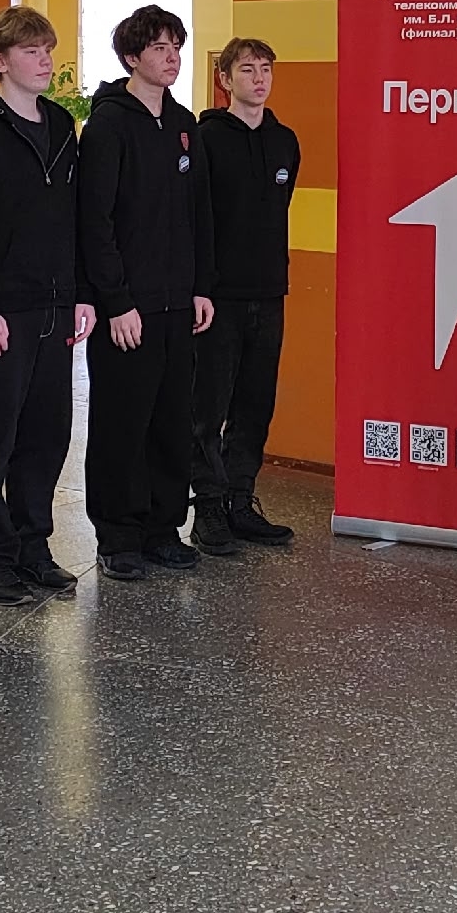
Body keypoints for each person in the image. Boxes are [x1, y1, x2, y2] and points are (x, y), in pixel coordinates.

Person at [0, 5, 92, 606]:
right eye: (32, 51)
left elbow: (73, 217)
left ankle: (33, 546)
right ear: (0, 61)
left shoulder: (59, 124)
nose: (45, 61)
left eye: (48, 50)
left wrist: (81, 292)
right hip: (1, 311)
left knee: (47, 434)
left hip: (55, 305)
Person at [78, 5, 215, 581]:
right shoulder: (109, 125)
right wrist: (116, 302)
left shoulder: (184, 124)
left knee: (171, 421)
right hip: (128, 308)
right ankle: (118, 535)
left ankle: (163, 528)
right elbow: (96, 221)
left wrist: (200, 288)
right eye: (160, 48)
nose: (172, 57)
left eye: (176, 47)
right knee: (122, 424)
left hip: (177, 304)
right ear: (133, 57)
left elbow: (199, 214)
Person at [190, 36, 301, 552]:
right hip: (219, 297)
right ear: (225, 78)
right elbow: (197, 217)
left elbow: (281, 203)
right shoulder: (206, 138)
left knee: (255, 403)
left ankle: (240, 500)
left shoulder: (285, 141)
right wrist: (201, 287)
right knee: (208, 406)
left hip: (269, 290)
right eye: (248, 69)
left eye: (266, 69)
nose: (259, 79)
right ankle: (208, 508)